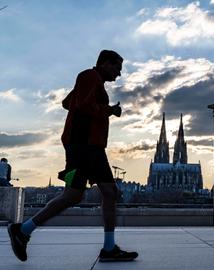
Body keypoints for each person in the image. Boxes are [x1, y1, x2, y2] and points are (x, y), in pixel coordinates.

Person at [8, 50, 138, 262]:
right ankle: (108, 248)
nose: (119, 74)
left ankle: (24, 230)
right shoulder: (89, 76)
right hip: (86, 147)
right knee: (107, 192)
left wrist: (98, 106)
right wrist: (109, 110)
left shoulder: (90, 80)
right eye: (117, 68)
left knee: (76, 195)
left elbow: (68, 103)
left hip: (82, 147)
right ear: (105, 64)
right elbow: (83, 106)